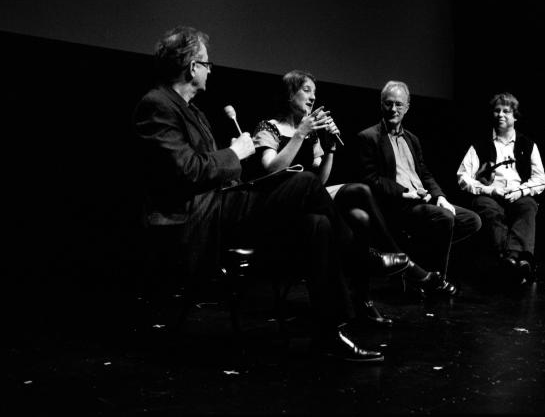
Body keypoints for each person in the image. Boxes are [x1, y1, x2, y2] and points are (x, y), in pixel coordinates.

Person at [132, 26, 383, 362]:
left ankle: (329, 332)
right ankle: (360, 254)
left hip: (223, 208)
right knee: (306, 183)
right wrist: (235, 153)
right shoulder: (157, 105)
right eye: (206, 64)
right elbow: (187, 172)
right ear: (192, 67)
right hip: (197, 222)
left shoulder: (193, 111)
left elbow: (213, 168)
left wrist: (234, 159)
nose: (211, 70)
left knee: (315, 225)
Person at [251, 70, 410, 326]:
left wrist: (330, 146)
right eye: (306, 90)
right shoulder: (269, 127)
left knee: (360, 215)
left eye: (315, 92)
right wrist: (300, 134)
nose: (313, 97)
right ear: (290, 93)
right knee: (339, 197)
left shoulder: (311, 132)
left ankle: (363, 301)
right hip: (279, 207)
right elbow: (271, 169)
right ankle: (376, 259)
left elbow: (320, 180)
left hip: (310, 201)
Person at [356, 80, 482, 298]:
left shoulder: (412, 139)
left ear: (407, 107)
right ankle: (435, 280)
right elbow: (370, 179)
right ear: (381, 104)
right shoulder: (369, 137)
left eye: (398, 104)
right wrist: (404, 192)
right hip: (399, 205)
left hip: (423, 201)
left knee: (471, 220)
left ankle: (417, 269)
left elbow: (424, 173)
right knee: (444, 219)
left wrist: (440, 196)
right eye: (388, 104)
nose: (393, 109)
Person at [456, 92, 545, 283]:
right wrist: (489, 190)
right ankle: (516, 260)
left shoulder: (528, 145)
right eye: (497, 111)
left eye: (506, 111)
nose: (501, 115)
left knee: (528, 205)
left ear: (515, 116)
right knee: (487, 208)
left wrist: (521, 191)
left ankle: (511, 259)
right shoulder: (480, 145)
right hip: (490, 195)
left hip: (517, 195)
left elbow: (540, 179)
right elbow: (462, 177)